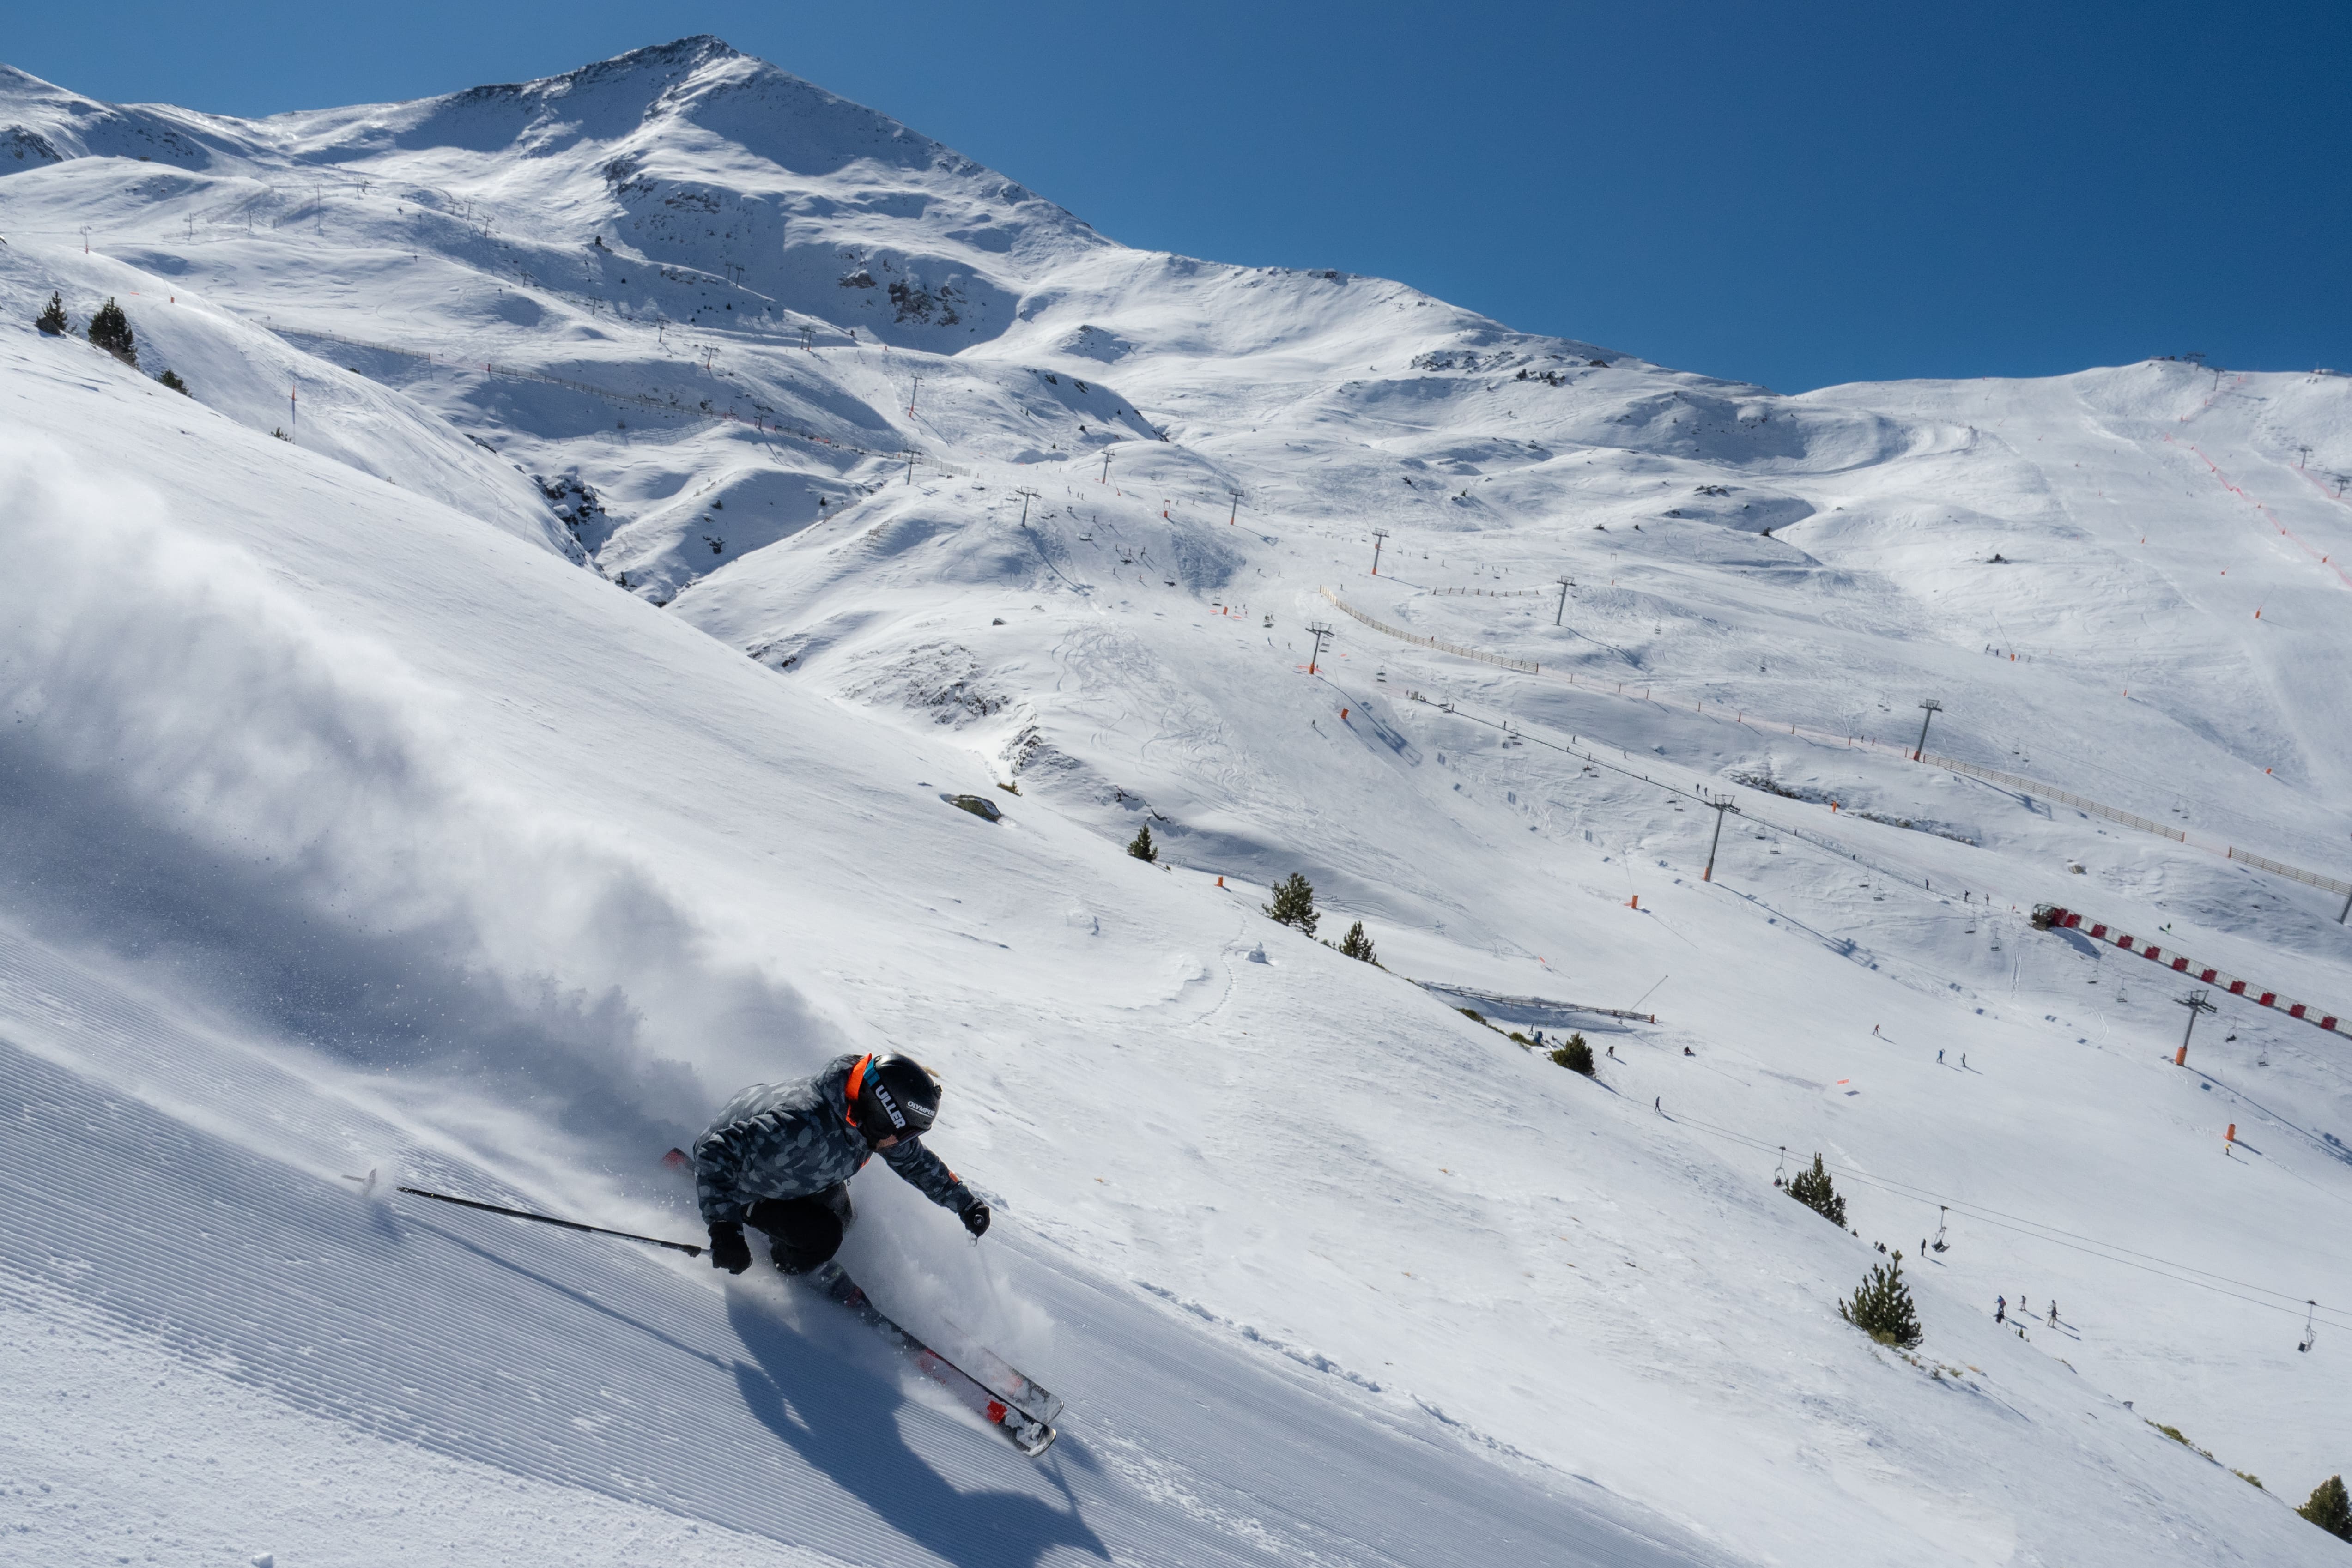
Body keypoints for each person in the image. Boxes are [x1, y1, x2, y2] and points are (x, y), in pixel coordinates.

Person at [692, 1053, 989, 1277]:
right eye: (906, 1131)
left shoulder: (861, 1108)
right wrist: (725, 1229)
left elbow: (914, 1161)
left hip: (787, 1168)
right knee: (824, 1236)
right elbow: (713, 1153)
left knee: (845, 1216)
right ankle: (781, 1258)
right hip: (744, 1183)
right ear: (882, 1117)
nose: (905, 1141)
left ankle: (795, 1238)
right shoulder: (801, 1127)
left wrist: (965, 1203)